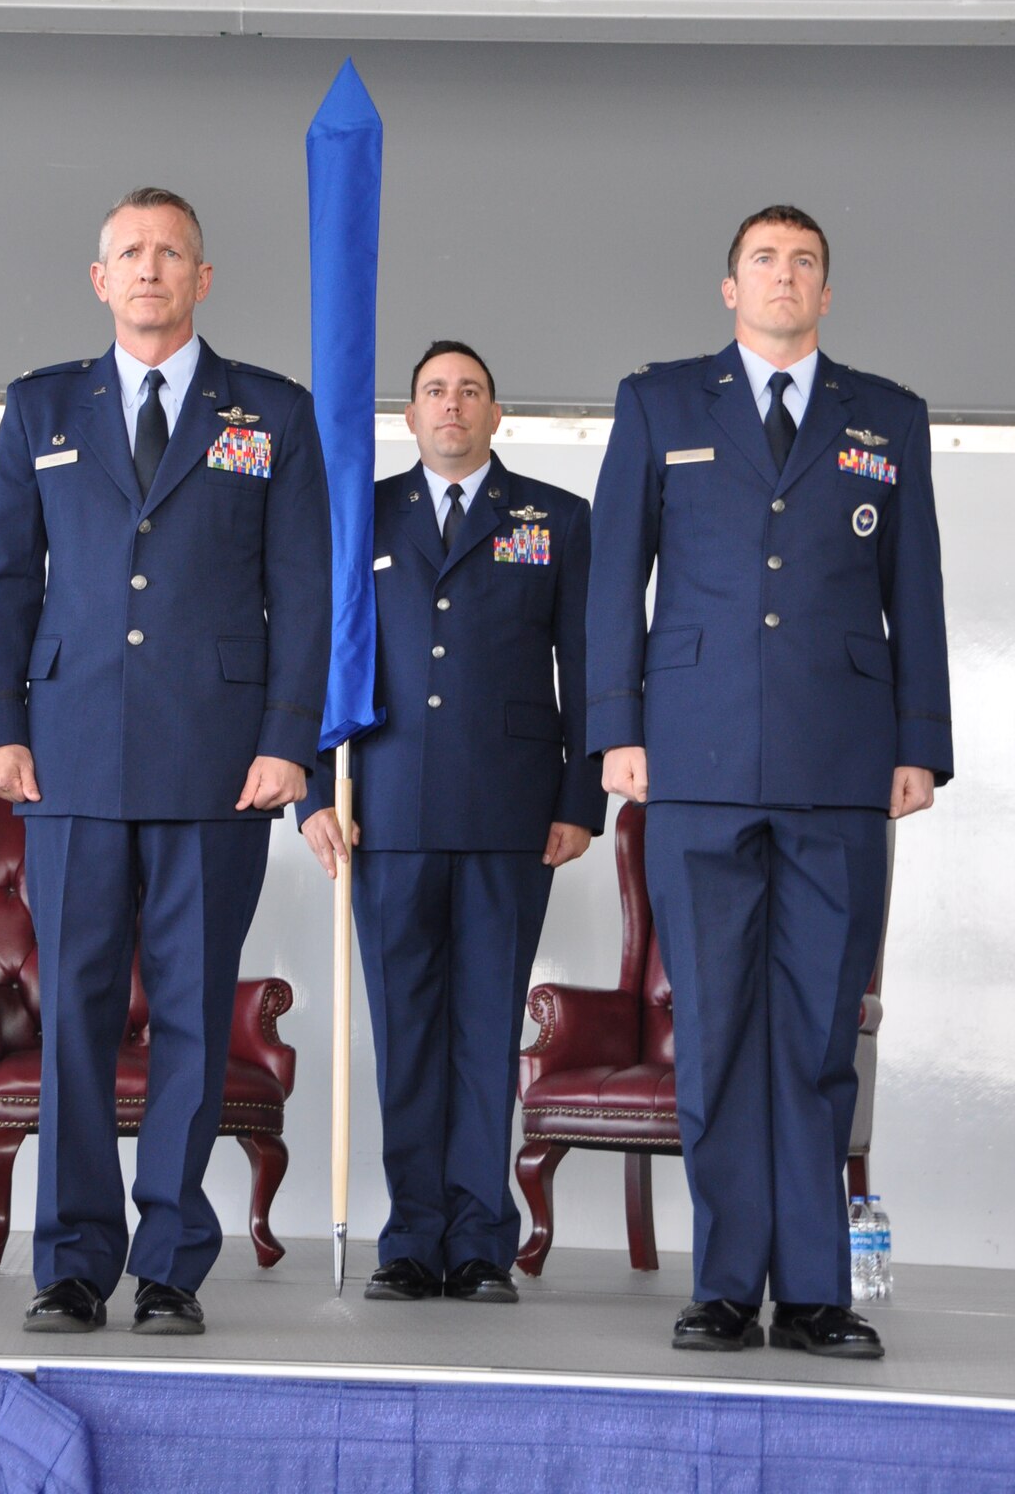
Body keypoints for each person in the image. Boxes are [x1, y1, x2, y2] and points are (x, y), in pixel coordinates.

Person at [586, 205, 951, 1360]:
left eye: (802, 263)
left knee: (813, 1033)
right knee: (718, 1026)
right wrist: (614, 729)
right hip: (689, 758)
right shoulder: (657, 402)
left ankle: (812, 1291)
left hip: (839, 762)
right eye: (762, 261)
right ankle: (723, 1281)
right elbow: (612, 577)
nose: (782, 276)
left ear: (825, 294)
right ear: (727, 286)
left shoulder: (884, 416)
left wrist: (918, 740)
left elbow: (918, 589)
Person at [0, 187, 331, 1336]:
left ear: (203, 278)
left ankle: (171, 1260)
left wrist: (288, 740)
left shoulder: (269, 409)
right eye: (129, 251)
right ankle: (72, 1261)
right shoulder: (40, 408)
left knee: (189, 1013)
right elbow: (1, 579)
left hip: (218, 764)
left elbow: (306, 589)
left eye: (171, 252)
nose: (149, 268)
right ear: (98, 276)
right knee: (75, 1011)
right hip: (68, 759)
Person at [298, 340, 604, 1303]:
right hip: (383, 812)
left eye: (471, 391)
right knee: (406, 1031)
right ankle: (410, 1236)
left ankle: (479, 1243)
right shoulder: (359, 513)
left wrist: (580, 799)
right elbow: (318, 661)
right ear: (411, 413)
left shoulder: (556, 519)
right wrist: (314, 795)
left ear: (496, 414)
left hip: (513, 812)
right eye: (435, 391)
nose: (453, 406)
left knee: (484, 1028)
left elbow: (587, 670)